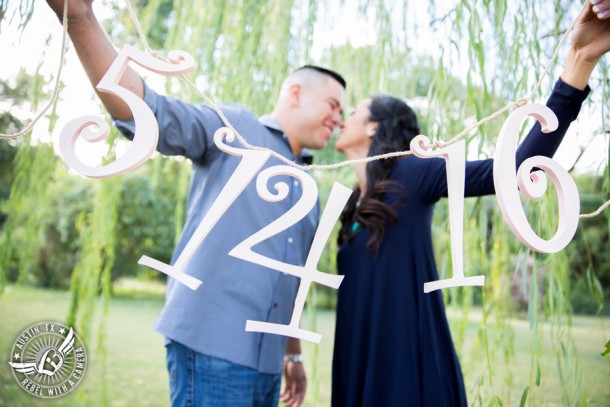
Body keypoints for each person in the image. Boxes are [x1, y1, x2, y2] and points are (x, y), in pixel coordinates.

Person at [45, 1, 346, 406]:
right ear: (295, 92)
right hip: (212, 350)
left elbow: (292, 279)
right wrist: (81, 19)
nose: (339, 120)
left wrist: (292, 353)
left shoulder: (307, 185)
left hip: (269, 366)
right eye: (333, 106)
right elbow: (148, 111)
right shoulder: (236, 128)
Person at [330, 2, 610, 406]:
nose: (345, 118)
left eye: (353, 110)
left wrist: (579, 61)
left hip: (405, 365)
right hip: (357, 358)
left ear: (374, 125)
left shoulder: (413, 173)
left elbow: (513, 167)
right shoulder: (354, 201)